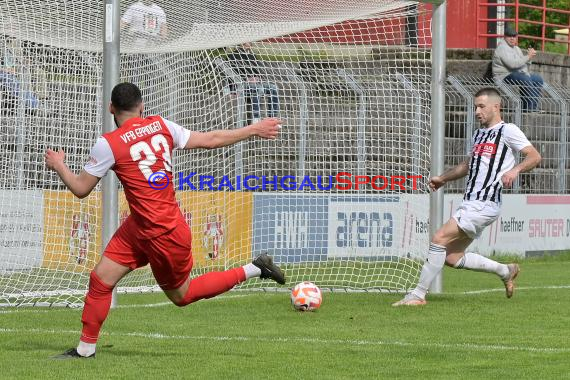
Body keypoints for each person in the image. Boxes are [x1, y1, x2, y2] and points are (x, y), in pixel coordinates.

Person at [46, 82, 285, 358]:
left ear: (111, 108)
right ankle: (85, 350)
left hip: (162, 233)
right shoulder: (162, 125)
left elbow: (80, 188)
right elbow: (211, 140)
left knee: (182, 296)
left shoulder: (108, 144)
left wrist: (59, 165)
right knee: (100, 279)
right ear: (142, 106)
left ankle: (255, 268)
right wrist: (254, 129)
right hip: (141, 226)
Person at [393, 87, 541, 307]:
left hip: (485, 202)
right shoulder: (479, 134)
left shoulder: (507, 130)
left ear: (496, 107)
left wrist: (515, 170)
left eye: (481, 106)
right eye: (475, 107)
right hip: (472, 202)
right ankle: (506, 271)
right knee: (452, 257)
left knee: (439, 238)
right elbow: (468, 164)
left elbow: (534, 155)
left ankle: (418, 295)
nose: (477, 111)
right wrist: (443, 178)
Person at [225, 43, 280, 124]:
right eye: (247, 42)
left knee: (273, 87)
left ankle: (273, 118)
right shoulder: (232, 56)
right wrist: (233, 90)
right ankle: (256, 118)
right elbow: (230, 75)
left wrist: (257, 77)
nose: (249, 43)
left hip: (254, 83)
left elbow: (256, 72)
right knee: (258, 89)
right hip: (241, 84)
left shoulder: (252, 56)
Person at [492, 28, 543, 113]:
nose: (512, 38)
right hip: (503, 75)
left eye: (514, 36)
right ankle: (528, 108)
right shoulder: (502, 48)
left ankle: (534, 107)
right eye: (509, 36)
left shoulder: (517, 49)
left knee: (537, 79)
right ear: (505, 37)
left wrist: (529, 59)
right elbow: (512, 65)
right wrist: (528, 57)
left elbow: (522, 64)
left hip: (516, 74)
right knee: (524, 79)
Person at [0, 37, 40, 113]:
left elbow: (10, 65)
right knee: (14, 83)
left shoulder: (8, 49)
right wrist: (5, 69)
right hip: (4, 73)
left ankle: (36, 103)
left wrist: (11, 69)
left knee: (23, 78)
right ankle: (35, 105)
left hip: (7, 72)